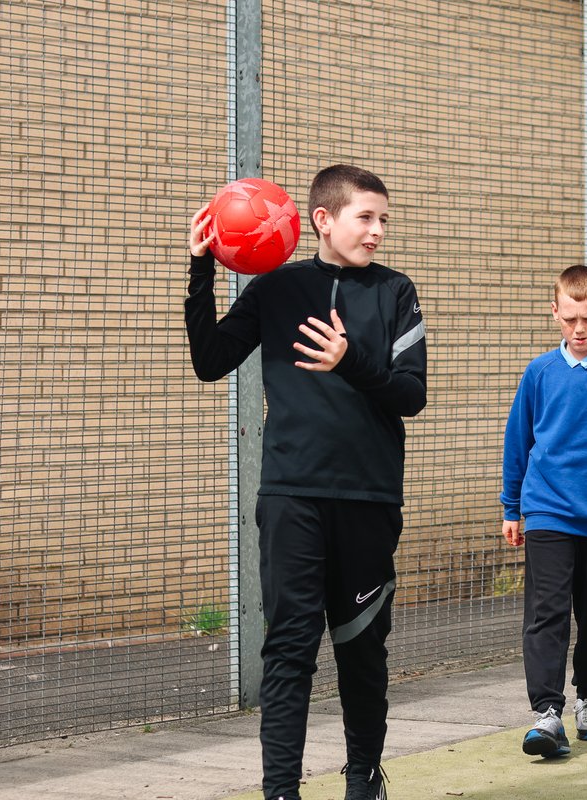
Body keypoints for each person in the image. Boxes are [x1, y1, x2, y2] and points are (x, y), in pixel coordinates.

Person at [184, 165, 426, 800]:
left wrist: (352, 363)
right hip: (292, 496)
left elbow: (411, 394)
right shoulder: (275, 289)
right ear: (323, 219)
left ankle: (363, 778)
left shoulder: (396, 292)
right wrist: (202, 270)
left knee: (361, 649)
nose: (377, 231)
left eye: (383, 220)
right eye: (365, 217)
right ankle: (281, 791)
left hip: (369, 499)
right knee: (289, 649)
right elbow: (210, 362)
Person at [500, 264, 587, 758]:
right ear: (554, 312)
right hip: (546, 511)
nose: (578, 329)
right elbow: (519, 442)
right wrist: (511, 506)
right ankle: (547, 713)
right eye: (569, 318)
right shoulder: (539, 373)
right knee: (547, 613)